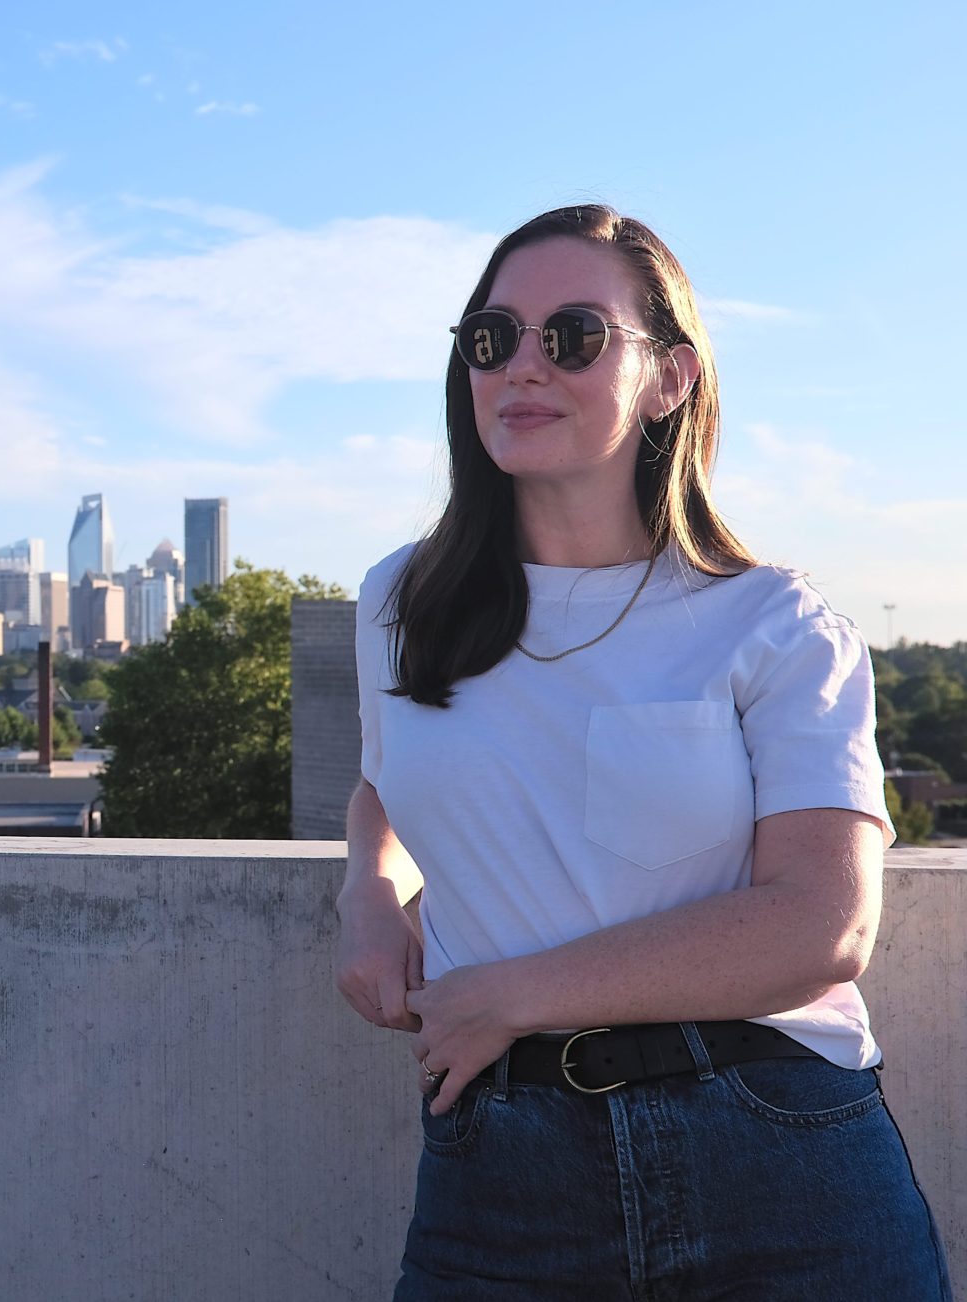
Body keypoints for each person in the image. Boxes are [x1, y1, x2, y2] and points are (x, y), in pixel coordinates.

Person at [334, 204, 952, 1299]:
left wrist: (517, 993)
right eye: (490, 338)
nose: (519, 365)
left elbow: (824, 925)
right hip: (499, 1175)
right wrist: (369, 896)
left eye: (569, 335)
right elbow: (388, 779)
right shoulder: (402, 599)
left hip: (774, 1156)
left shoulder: (771, 623)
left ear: (667, 377)